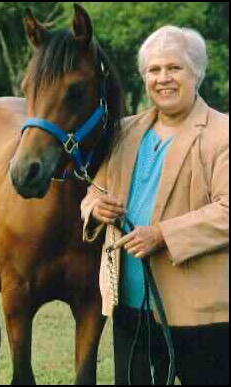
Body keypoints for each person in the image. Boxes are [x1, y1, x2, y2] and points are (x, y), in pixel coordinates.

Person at [81, 26, 229, 385]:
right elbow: (93, 192)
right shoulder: (123, 131)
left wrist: (163, 234)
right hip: (129, 307)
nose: (163, 78)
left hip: (202, 315)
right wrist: (95, 208)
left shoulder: (222, 134)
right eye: (154, 69)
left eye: (174, 68)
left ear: (196, 73)